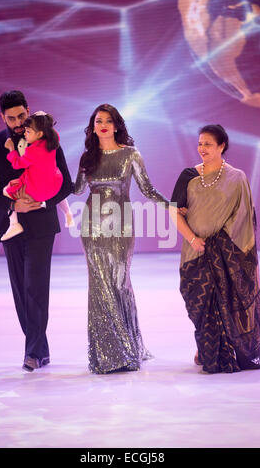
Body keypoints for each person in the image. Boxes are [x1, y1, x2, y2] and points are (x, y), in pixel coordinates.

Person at [0, 90, 72, 372]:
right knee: (21, 291)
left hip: (42, 223)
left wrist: (42, 201)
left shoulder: (49, 138)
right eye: (11, 118)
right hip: (10, 224)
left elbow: (66, 184)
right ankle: (39, 350)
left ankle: (32, 352)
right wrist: (11, 203)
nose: (18, 122)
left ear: (28, 110)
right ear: (2, 117)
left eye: (22, 116)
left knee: (36, 287)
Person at [73, 103, 170, 374]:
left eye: (107, 120)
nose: (102, 124)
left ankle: (127, 348)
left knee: (119, 282)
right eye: (97, 121)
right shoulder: (87, 157)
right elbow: (78, 190)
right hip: (91, 227)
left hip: (120, 225)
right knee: (99, 286)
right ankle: (109, 355)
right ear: (93, 127)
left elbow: (148, 189)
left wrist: (172, 206)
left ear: (116, 125)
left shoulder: (131, 155)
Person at [170, 124, 260, 374]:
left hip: (226, 254)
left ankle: (219, 350)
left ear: (222, 146)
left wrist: (217, 244)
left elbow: (244, 217)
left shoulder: (237, 178)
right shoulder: (188, 175)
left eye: (208, 144)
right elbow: (174, 212)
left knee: (227, 300)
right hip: (195, 252)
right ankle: (206, 344)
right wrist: (192, 239)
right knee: (198, 305)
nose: (202, 149)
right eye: (200, 143)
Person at [1, 112, 63, 241]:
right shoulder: (51, 140)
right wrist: (43, 116)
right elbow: (53, 130)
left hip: (37, 191)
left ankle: (14, 224)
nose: (24, 134)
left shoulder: (32, 150)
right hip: (54, 185)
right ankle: (68, 213)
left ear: (39, 134)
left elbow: (17, 164)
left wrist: (11, 149)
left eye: (28, 132)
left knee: (6, 190)